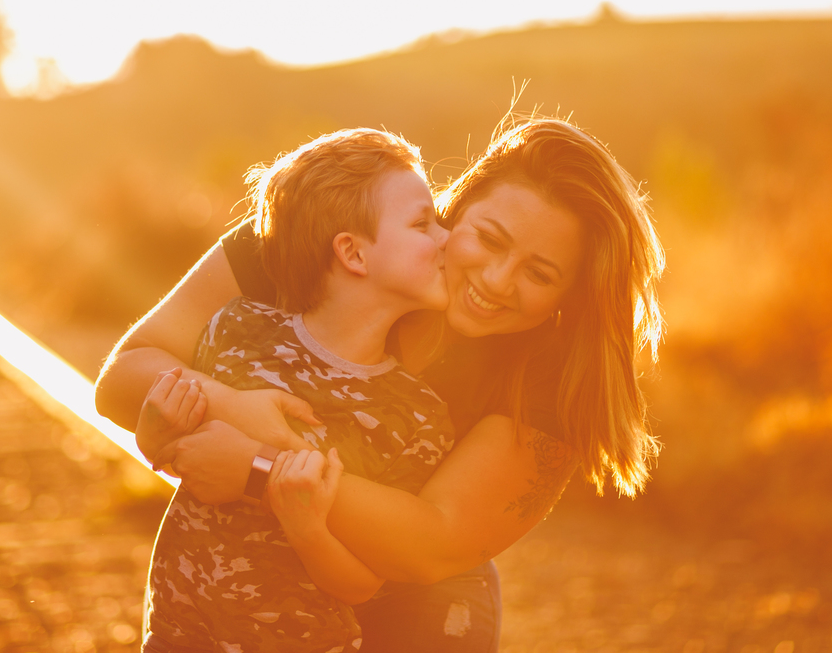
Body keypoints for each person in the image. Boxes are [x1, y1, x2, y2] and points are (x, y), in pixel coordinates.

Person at [96, 117, 665, 653]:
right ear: (457, 210)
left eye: (540, 274)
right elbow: (124, 378)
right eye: (489, 239)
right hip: (230, 604)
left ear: (571, 296)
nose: (497, 280)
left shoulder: (552, 379)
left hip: (415, 609)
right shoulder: (314, 231)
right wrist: (234, 408)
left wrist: (256, 468)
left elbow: (432, 545)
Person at [137, 128, 455, 652]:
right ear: (353, 254)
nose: (447, 238)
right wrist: (156, 432)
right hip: (177, 638)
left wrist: (307, 529)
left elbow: (362, 583)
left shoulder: (414, 418)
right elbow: (177, 455)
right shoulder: (236, 333)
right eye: (423, 223)